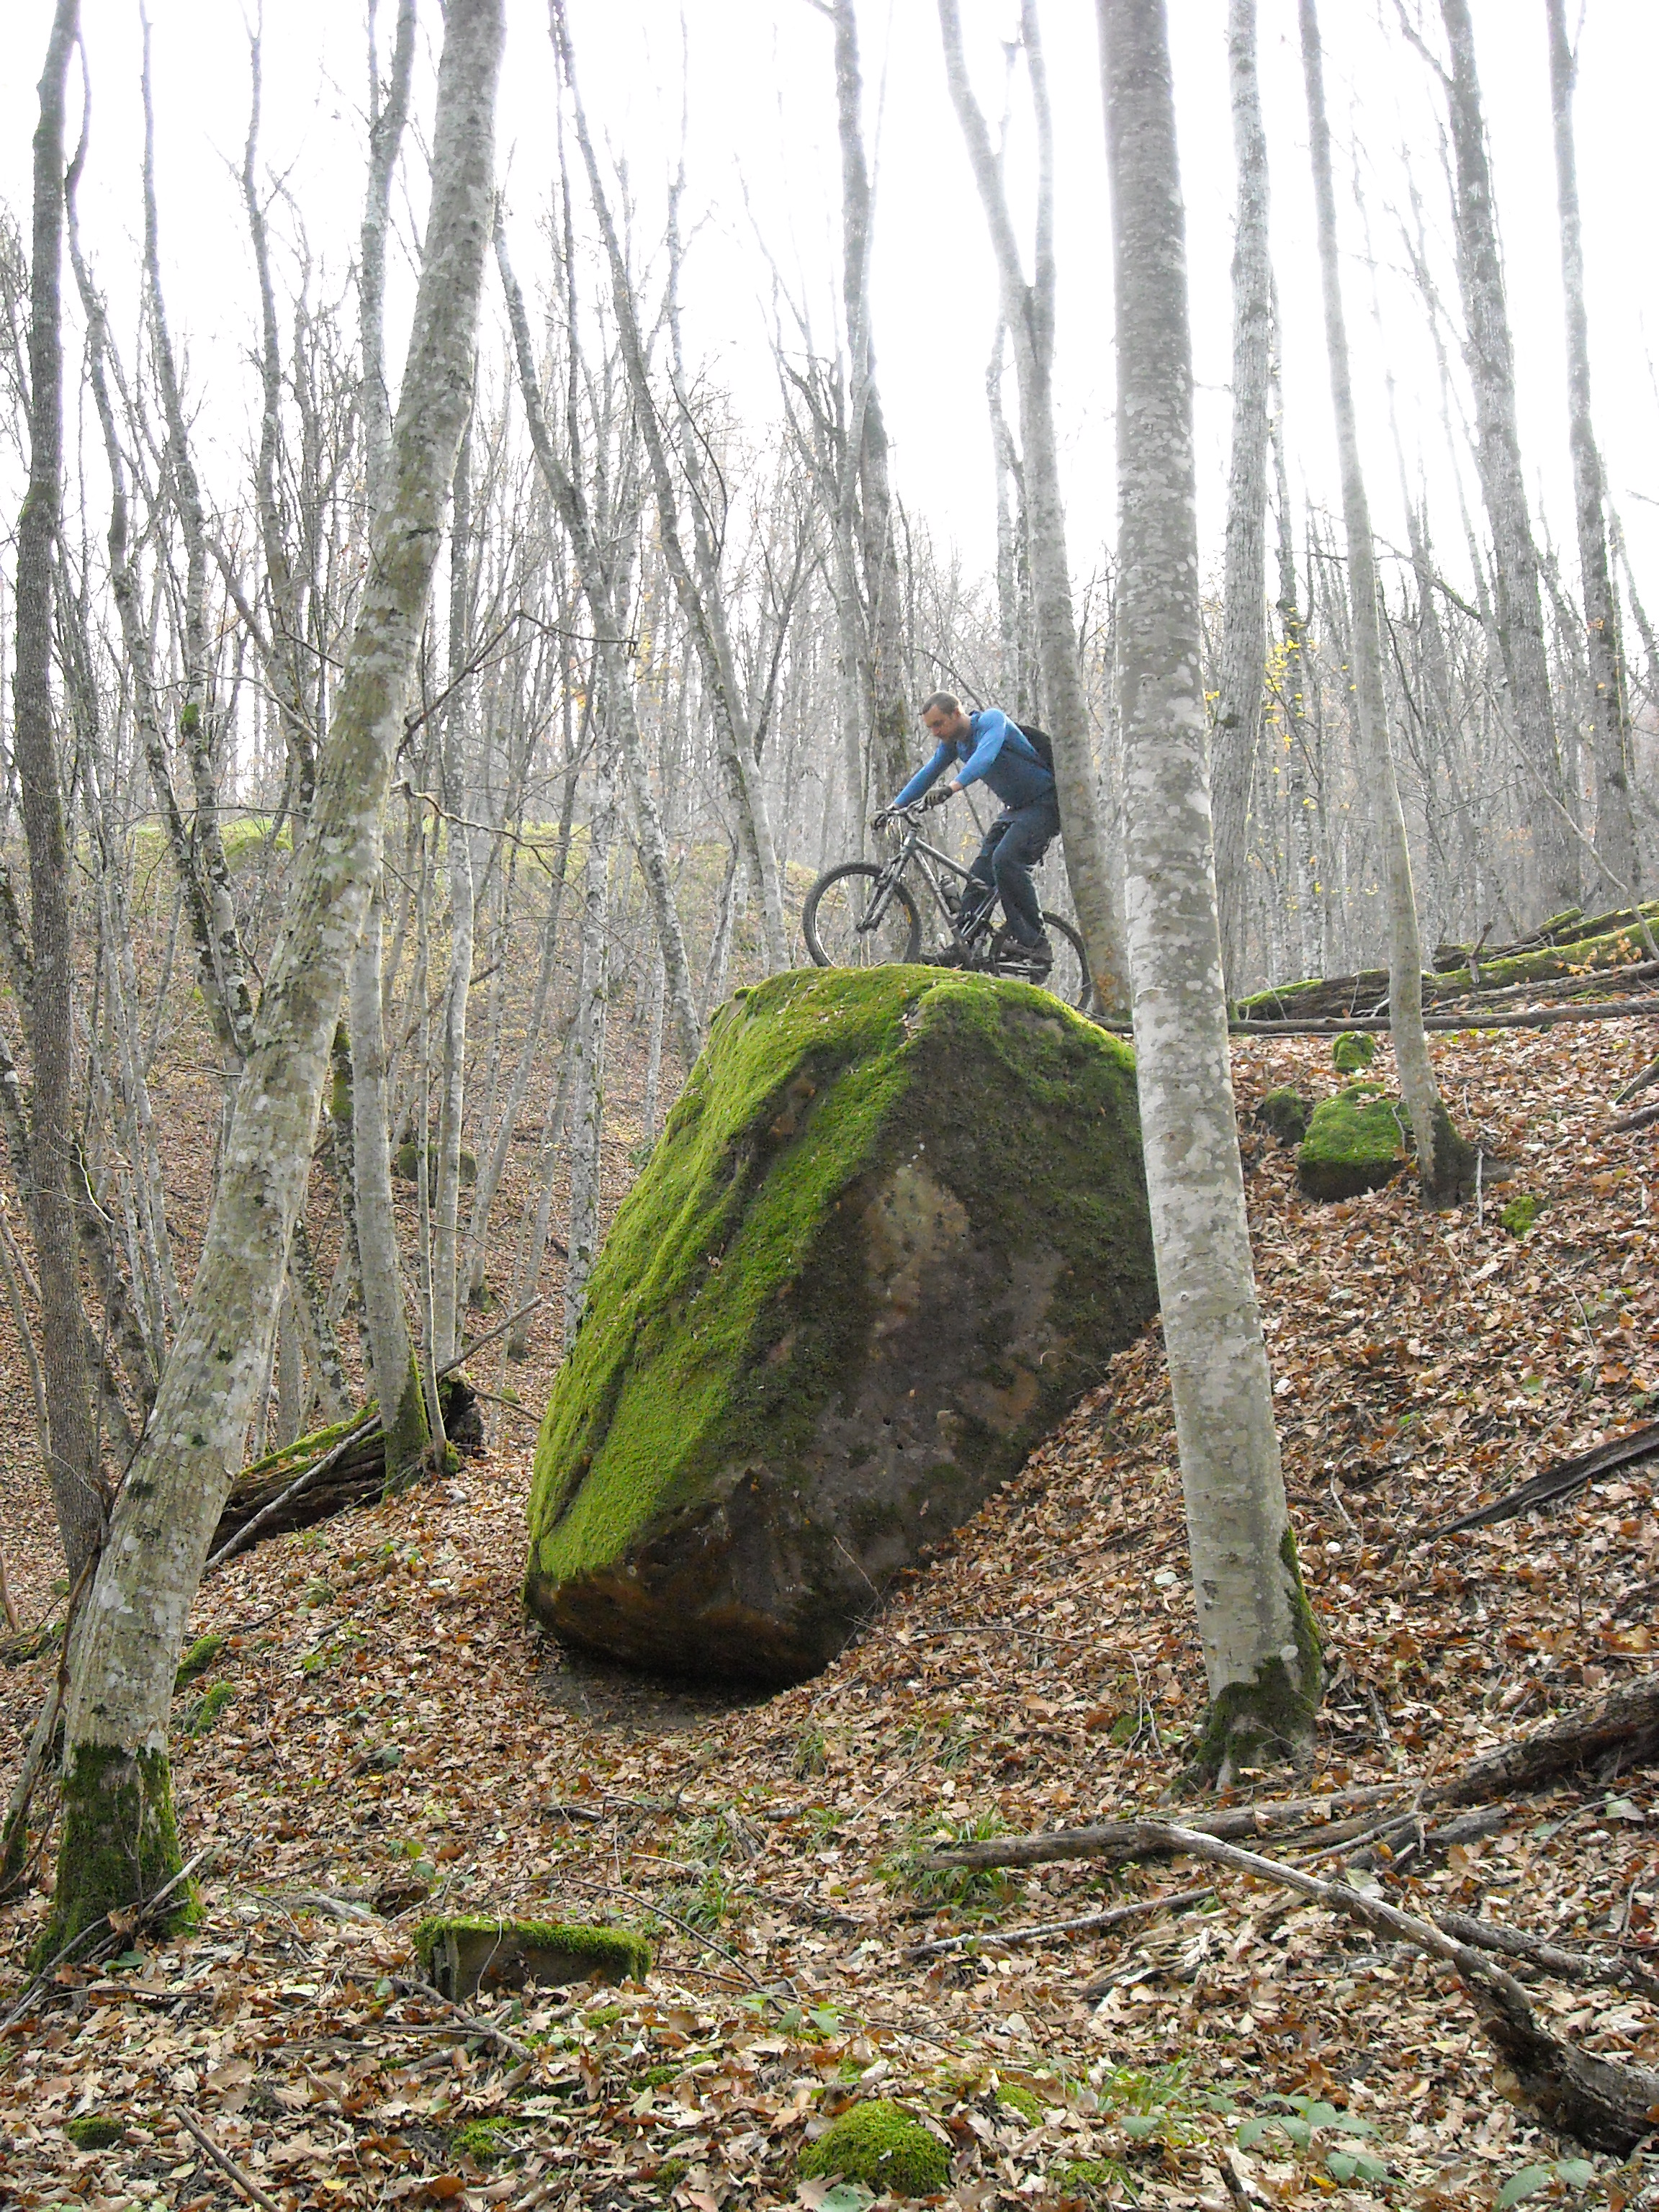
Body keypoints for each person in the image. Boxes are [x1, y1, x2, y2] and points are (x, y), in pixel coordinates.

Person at [876, 692, 1059, 968]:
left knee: (1006, 861)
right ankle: (965, 944)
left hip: (1044, 804)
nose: (935, 733)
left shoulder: (992, 721)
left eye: (938, 724)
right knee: (980, 874)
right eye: (930, 728)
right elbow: (928, 773)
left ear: (956, 713)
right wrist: (892, 808)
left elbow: (984, 758)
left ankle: (1035, 943)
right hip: (1016, 809)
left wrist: (951, 788)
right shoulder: (953, 745)